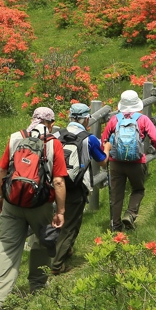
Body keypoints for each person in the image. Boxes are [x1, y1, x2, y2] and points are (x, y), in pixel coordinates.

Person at [0, 107, 68, 310]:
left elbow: (3, 171)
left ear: (32, 120)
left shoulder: (15, 137)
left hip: (12, 203)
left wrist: (0, 197)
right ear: (51, 124)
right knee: (42, 242)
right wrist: (60, 211)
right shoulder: (53, 143)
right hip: (39, 204)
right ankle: (37, 286)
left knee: (6, 247)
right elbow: (58, 181)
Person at [51, 103, 107, 275]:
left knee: (55, 220)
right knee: (70, 225)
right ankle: (57, 265)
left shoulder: (56, 135)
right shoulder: (88, 138)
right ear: (86, 118)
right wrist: (107, 148)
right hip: (76, 186)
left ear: (69, 117)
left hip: (55, 183)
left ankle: (62, 252)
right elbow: (103, 162)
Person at [102, 90, 156, 232]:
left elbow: (104, 139)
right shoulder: (143, 119)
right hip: (136, 162)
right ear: (137, 104)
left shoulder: (114, 119)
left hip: (116, 162)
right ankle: (130, 214)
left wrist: (106, 156)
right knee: (138, 189)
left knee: (117, 194)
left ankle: (116, 227)